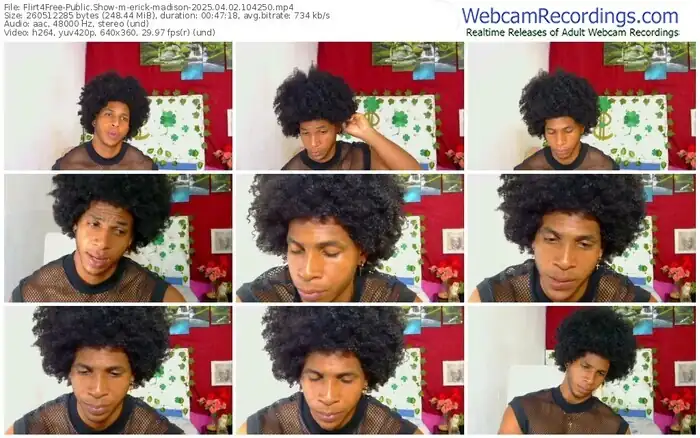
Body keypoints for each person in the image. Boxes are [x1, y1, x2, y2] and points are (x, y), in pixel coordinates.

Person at [469, 174, 657, 303]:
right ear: (532, 238)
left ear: (601, 249)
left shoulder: (627, 299)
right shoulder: (492, 298)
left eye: (584, 244)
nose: (565, 261)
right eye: (551, 239)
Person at [236, 174, 422, 302]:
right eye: (296, 250)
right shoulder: (259, 297)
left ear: (362, 252)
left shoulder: (390, 297)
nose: (308, 272)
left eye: (330, 252)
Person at [238, 307, 422, 434]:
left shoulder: (393, 431)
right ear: (299, 376)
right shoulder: (262, 429)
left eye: (346, 380)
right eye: (315, 378)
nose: (328, 397)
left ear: (366, 378)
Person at [6, 306, 184, 434]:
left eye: (114, 373)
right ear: (69, 371)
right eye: (84, 372)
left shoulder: (155, 431)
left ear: (133, 375)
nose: (98, 390)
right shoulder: (35, 429)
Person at [12, 174, 186, 302]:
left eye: (119, 231)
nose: (103, 243)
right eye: (94, 224)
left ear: (131, 238)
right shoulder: (30, 295)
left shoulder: (161, 298)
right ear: (76, 223)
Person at [498, 307, 636, 434]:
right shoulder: (522, 411)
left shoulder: (616, 428)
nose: (590, 379)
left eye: (600, 373)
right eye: (585, 367)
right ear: (568, 360)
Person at [274, 65, 421, 171]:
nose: (313, 143)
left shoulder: (359, 156)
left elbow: (414, 172)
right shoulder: (291, 172)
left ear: (337, 126)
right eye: (305, 133)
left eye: (322, 131)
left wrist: (369, 133)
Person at [514, 69, 618, 171]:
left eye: (568, 131)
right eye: (551, 132)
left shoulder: (603, 167)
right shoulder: (530, 169)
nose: (560, 142)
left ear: (582, 127)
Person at [52, 71, 158, 170]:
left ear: (129, 126)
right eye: (109, 114)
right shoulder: (69, 166)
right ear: (94, 119)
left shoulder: (143, 167)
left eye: (124, 118)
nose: (116, 123)